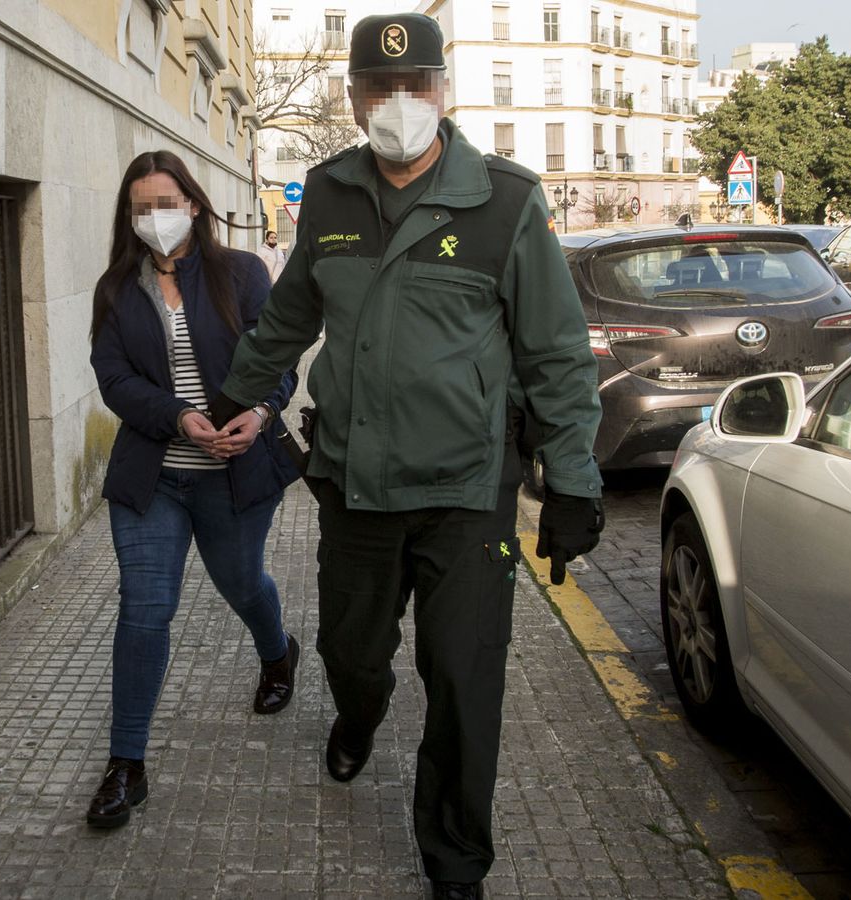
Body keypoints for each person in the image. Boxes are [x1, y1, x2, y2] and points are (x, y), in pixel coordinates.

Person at [209, 13, 605, 900]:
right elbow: (290, 314)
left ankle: (455, 862)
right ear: (353, 98)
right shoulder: (329, 194)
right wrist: (238, 393)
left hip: (467, 492)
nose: (398, 102)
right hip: (355, 484)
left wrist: (574, 483)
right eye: (379, 87)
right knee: (350, 655)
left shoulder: (506, 200)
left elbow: (556, 353)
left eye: (415, 84)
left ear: (442, 90)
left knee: (465, 683)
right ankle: (359, 716)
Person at [85, 150, 303, 830]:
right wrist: (178, 416)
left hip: (235, 474)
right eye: (142, 207)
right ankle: (126, 764)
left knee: (241, 583)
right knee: (145, 607)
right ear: (128, 217)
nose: (156, 217)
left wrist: (259, 412)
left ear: (195, 206)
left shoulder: (241, 273)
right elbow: (114, 379)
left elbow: (278, 358)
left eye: (167, 203)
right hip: (154, 477)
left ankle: (277, 651)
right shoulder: (117, 289)